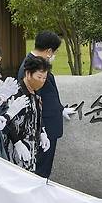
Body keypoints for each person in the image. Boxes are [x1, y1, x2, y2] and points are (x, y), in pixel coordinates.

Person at [18, 32, 72, 178]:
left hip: (49, 123)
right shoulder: (31, 67)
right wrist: (41, 130)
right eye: (54, 51)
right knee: (40, 169)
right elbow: (34, 100)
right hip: (43, 128)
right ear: (49, 51)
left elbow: (48, 93)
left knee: (44, 167)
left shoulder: (39, 63)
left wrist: (60, 109)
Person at [5, 56, 52, 172]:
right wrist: (17, 142)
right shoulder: (16, 92)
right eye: (39, 77)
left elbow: (36, 116)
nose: (41, 81)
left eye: (44, 78)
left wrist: (42, 133)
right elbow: (7, 119)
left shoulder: (35, 94)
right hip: (16, 148)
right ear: (28, 74)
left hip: (32, 147)